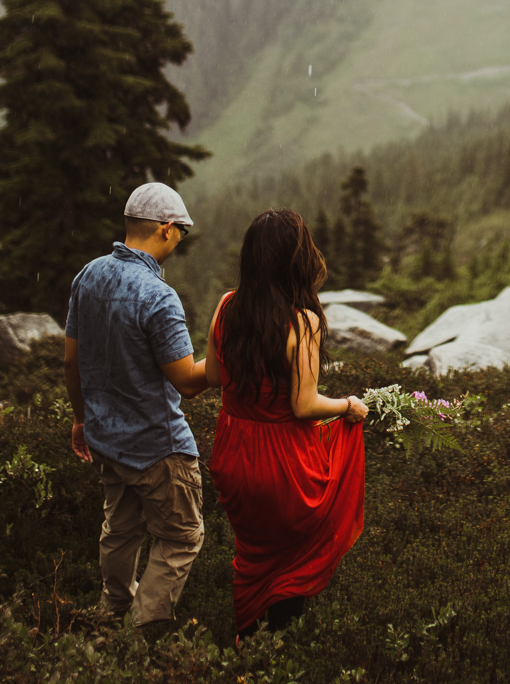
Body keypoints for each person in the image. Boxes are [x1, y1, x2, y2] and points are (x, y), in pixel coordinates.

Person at [204, 208, 367, 639]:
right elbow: (304, 405)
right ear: (295, 259)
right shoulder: (303, 321)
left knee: (252, 555)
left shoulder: (226, 307)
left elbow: (216, 378)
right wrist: (347, 405)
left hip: (233, 454)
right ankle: (278, 649)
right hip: (282, 463)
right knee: (292, 559)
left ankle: (246, 643)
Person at [63, 182, 209, 643]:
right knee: (182, 537)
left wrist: (81, 418)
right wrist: (229, 359)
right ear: (166, 229)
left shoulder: (88, 276)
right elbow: (187, 380)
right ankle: (139, 634)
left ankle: (110, 612)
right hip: (158, 447)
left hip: (107, 439)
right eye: (180, 232)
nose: (180, 241)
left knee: (121, 529)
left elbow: (71, 359)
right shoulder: (158, 296)